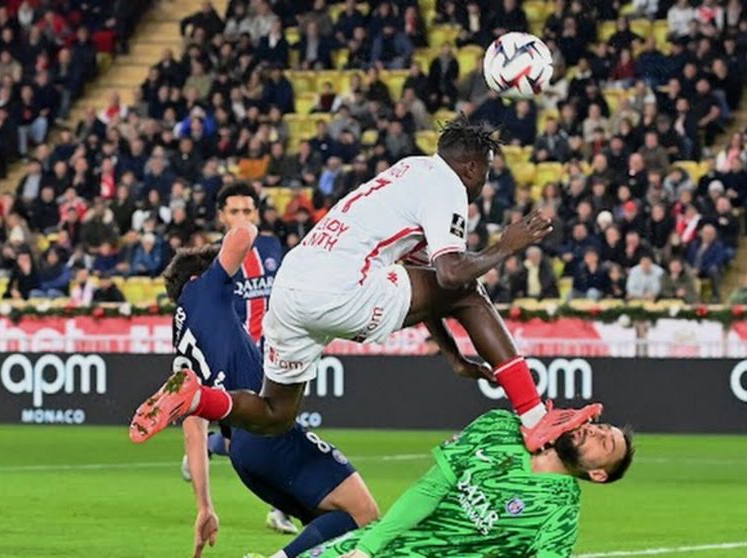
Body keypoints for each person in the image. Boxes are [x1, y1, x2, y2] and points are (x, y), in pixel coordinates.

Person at [131, 117, 602, 453]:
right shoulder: (448, 187)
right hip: (341, 284)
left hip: (293, 284)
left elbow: (428, 283)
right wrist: (507, 245)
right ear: (474, 167)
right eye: (487, 173)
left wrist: (453, 356)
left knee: (276, 413)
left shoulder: (410, 172)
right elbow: (453, 277)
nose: (484, 184)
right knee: (469, 290)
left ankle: (196, 398)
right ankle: (536, 417)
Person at [151, 227, 379, 558]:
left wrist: (205, 506)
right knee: (364, 514)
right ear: (199, 277)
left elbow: (193, 431)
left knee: (333, 527)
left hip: (245, 459)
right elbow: (244, 234)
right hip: (266, 432)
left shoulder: (183, 340)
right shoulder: (204, 289)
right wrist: (225, 244)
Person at [247, 408, 631, 558]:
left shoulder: (560, 517)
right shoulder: (500, 426)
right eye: (598, 427)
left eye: (605, 442)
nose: (594, 432)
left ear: (599, 474)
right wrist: (366, 550)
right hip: (371, 546)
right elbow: (429, 491)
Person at [177, 184, 298, 536]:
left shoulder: (274, 247)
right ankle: (214, 446)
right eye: (234, 212)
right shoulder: (214, 264)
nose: (242, 219)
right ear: (221, 216)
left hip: (274, 353)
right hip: (235, 361)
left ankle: (281, 509)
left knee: (279, 428)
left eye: (248, 211)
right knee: (253, 436)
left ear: (257, 214)